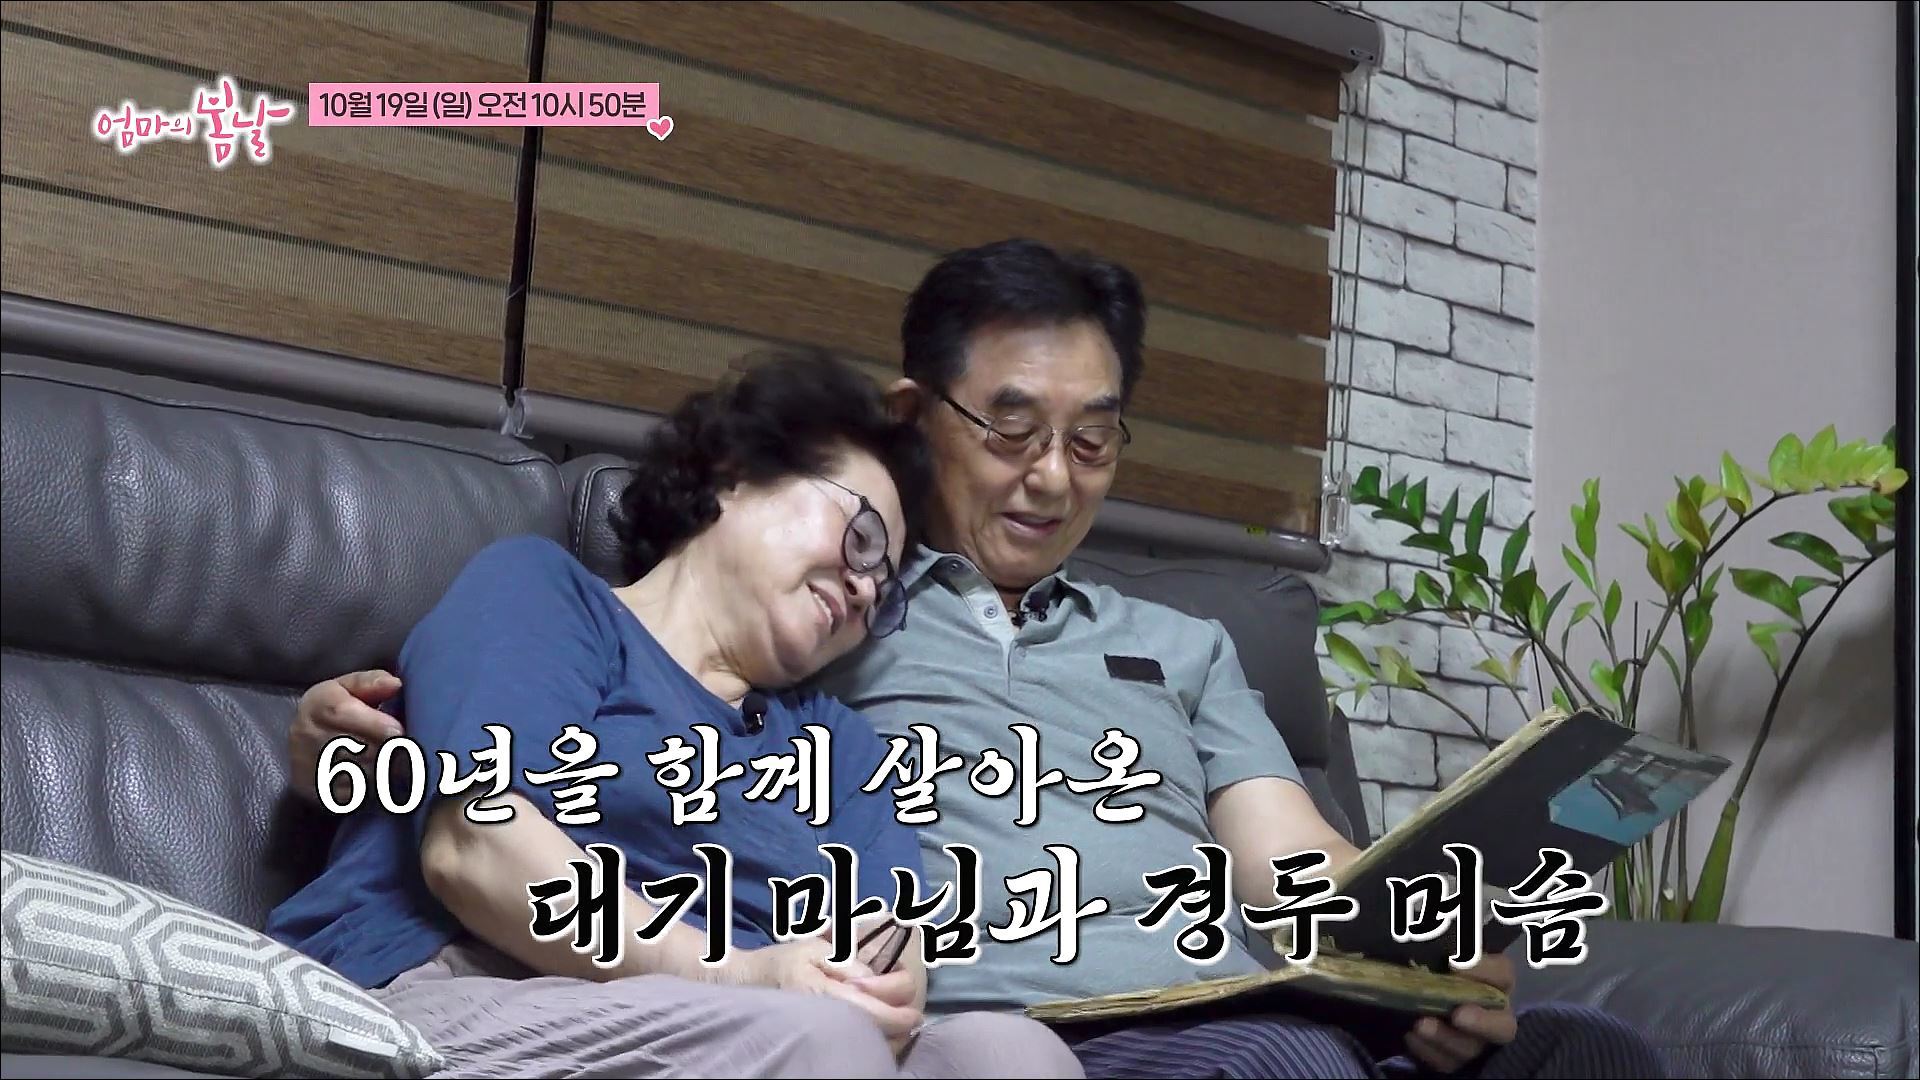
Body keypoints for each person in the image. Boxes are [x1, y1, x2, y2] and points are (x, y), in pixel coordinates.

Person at [286, 239, 1669, 1080]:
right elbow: (493, 797)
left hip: (1203, 1001)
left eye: (1093, 438)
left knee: (1592, 1053)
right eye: (1011, 429)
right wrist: (350, 748)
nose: (1052, 476)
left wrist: (1426, 959)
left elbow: (1291, 869)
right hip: (1060, 1028)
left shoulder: (1156, 651)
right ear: (913, 417)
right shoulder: (792, 632)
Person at [262, 347, 1086, 1080]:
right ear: (736, 472)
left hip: (761, 1031)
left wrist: (883, 978)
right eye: (863, 538)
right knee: (818, 1041)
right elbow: (476, 850)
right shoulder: (547, 598)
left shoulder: (842, 746)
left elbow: (880, 944)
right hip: (471, 981)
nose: (867, 587)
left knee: (1013, 1055)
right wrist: (746, 975)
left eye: (886, 589)